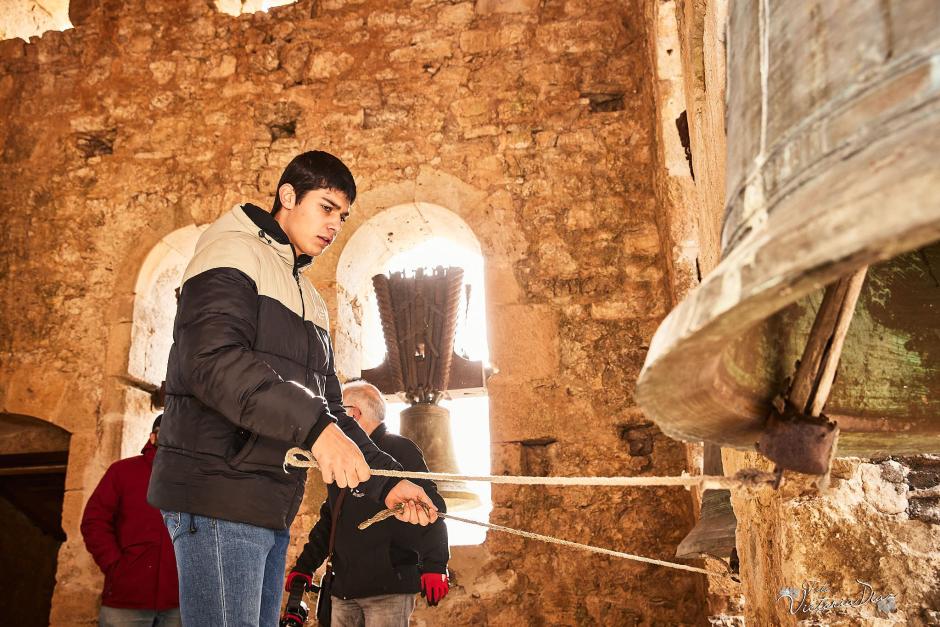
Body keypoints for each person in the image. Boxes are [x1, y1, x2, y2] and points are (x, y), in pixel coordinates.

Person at [147, 151, 438, 626]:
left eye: (342, 217)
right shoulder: (231, 252)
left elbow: (333, 411)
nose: (334, 226)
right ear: (288, 196)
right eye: (326, 207)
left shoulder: (309, 299)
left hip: (266, 503)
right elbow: (212, 362)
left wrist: (388, 485)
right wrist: (317, 430)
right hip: (218, 495)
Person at [287, 381, 451, 627]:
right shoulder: (345, 457)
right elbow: (332, 517)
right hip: (343, 589)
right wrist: (305, 566)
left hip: (388, 588)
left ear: (354, 413)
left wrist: (435, 564)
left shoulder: (400, 450)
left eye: (340, 412)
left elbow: (429, 507)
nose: (335, 420)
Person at [81, 415, 180, 627]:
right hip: (126, 599)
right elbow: (94, 522)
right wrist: (116, 566)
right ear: (153, 437)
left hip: (179, 601)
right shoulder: (122, 471)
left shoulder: (194, 480)